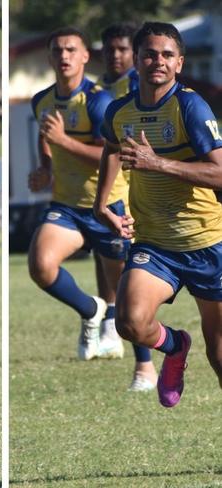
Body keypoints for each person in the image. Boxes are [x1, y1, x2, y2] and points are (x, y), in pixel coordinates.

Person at [94, 21, 222, 408]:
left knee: (219, 356)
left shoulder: (189, 106)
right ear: (136, 60)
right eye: (149, 53)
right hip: (154, 244)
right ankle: (176, 345)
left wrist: (158, 163)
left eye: (167, 55)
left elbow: (219, 172)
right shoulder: (119, 111)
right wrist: (102, 203)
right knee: (129, 322)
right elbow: (113, 148)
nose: (158, 61)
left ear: (179, 63)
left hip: (207, 243)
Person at [27, 27, 130, 366]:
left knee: (126, 289)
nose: (64, 56)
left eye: (72, 49)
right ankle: (91, 310)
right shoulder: (40, 100)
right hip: (67, 206)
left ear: (86, 56)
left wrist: (64, 141)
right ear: (50, 57)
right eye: (57, 50)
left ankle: (139, 362)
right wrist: (45, 168)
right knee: (41, 266)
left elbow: (111, 153)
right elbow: (47, 137)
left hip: (108, 205)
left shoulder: (99, 101)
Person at [95, 22, 158, 392]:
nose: (116, 56)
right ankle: (138, 356)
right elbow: (111, 147)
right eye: (111, 49)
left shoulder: (149, 88)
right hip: (112, 196)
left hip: (143, 198)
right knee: (116, 276)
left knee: (126, 279)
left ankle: (145, 359)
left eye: (123, 49)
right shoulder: (103, 94)